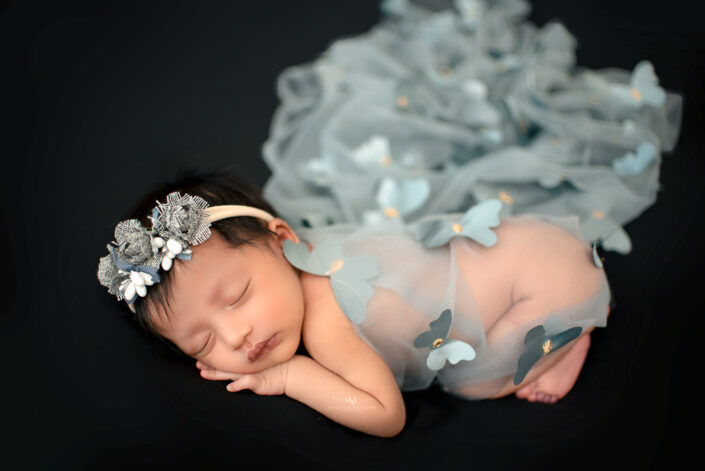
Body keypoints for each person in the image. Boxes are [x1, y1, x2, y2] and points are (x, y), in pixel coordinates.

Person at [97, 0, 681, 438]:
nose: (236, 337)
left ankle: (573, 333)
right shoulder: (310, 251)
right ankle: (575, 312)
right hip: (534, 245)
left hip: (548, 288)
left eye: (237, 297)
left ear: (281, 238)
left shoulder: (326, 322)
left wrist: (291, 378)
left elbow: (385, 415)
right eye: (202, 342)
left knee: (475, 382)